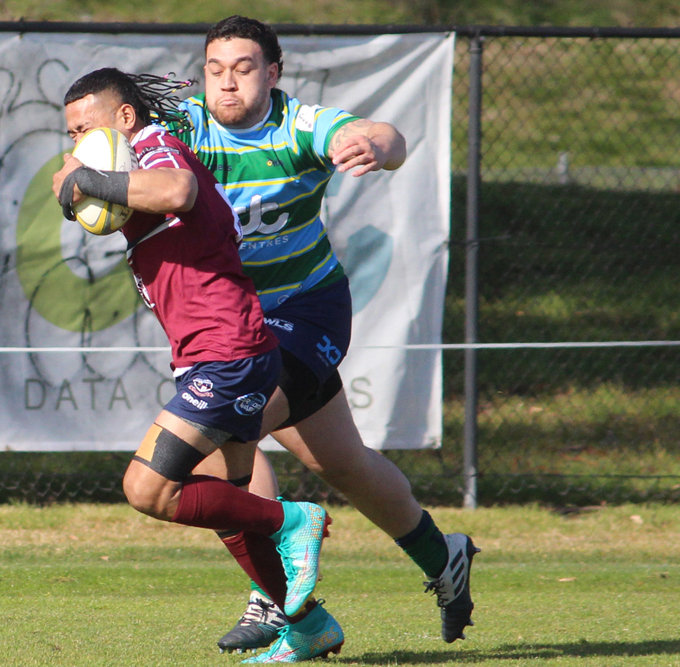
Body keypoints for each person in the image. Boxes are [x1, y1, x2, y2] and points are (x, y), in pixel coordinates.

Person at [166, 16, 480, 660]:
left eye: (244, 69)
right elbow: (115, 150)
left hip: (304, 311)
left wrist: (376, 146)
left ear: (273, 73)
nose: (227, 83)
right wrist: (81, 174)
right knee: (342, 464)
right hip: (229, 323)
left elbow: (384, 135)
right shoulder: (185, 127)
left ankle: (278, 599)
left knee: (222, 431)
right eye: (215, 69)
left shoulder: (298, 125)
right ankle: (443, 555)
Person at [50, 67, 341, 656]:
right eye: (72, 133)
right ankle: (310, 628)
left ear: (125, 117)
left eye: (86, 128)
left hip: (228, 353)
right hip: (214, 353)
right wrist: (80, 181)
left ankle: (294, 522)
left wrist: (87, 177)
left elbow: (178, 191)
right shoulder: (132, 166)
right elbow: (109, 205)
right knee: (233, 509)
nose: (78, 141)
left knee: (148, 490)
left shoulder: (155, 144)